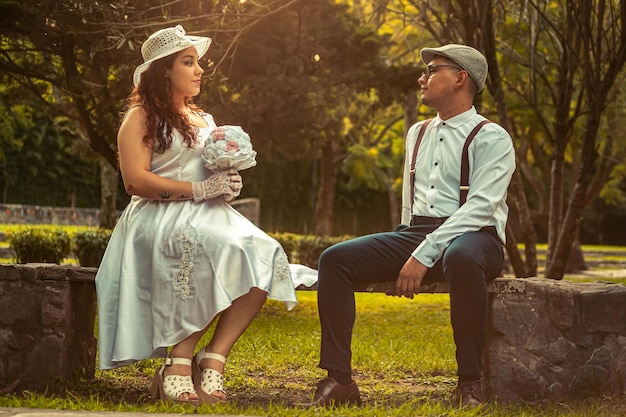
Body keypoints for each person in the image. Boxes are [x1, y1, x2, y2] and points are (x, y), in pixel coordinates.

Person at [301, 44, 515, 408]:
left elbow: (480, 207)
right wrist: (404, 245)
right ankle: (339, 381)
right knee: (335, 259)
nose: (422, 77)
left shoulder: (492, 137)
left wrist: (423, 254)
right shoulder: (417, 132)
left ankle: (470, 383)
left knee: (461, 256)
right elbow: (410, 200)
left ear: (460, 78)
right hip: (418, 232)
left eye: (432, 70)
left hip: (477, 239)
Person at [95, 25, 300, 405]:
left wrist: (226, 182)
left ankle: (215, 357)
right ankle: (177, 360)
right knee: (212, 249)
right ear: (164, 71)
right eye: (188, 63)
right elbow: (135, 182)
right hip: (158, 214)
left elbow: (206, 168)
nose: (199, 70)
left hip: (209, 212)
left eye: (198, 63)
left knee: (266, 254)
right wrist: (199, 189)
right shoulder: (140, 116)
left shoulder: (204, 118)